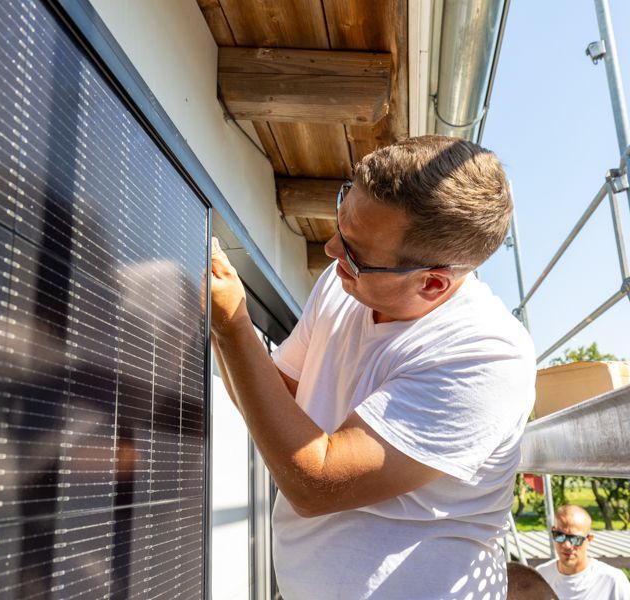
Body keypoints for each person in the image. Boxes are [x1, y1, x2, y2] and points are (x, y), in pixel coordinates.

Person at [210, 135, 536, 599]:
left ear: (433, 283)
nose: (331, 250)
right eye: (341, 222)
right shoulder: (345, 282)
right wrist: (220, 324)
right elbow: (272, 396)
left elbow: (316, 484)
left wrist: (232, 326)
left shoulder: (486, 355)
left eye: (355, 253)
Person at [536, 505, 630, 600]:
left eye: (576, 539)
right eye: (559, 535)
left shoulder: (612, 580)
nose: (566, 545)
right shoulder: (540, 576)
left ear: (589, 539)